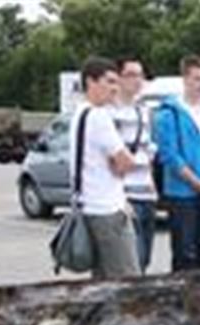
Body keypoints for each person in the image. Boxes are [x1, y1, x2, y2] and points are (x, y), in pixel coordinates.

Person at [70, 56, 139, 279]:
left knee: (101, 281)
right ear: (91, 82)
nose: (114, 88)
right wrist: (118, 163)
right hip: (108, 210)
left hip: (88, 207)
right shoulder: (99, 116)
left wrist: (115, 162)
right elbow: (126, 162)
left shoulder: (80, 114)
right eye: (109, 82)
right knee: (127, 281)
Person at [155, 54, 200, 272]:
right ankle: (184, 301)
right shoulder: (169, 114)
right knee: (185, 252)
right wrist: (196, 183)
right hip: (182, 194)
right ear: (184, 79)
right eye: (196, 79)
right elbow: (170, 156)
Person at [111, 56, 157, 272]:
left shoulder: (144, 111)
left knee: (145, 258)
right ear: (118, 78)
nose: (137, 80)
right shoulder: (110, 112)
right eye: (130, 75)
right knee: (132, 261)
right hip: (127, 196)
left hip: (147, 194)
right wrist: (119, 197)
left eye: (140, 75)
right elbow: (109, 159)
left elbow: (148, 151)